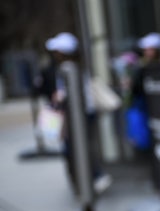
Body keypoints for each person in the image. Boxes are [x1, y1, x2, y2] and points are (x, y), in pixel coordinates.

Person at [41, 32, 112, 195]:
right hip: (77, 115)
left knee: (80, 147)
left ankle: (95, 176)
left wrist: (60, 96)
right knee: (74, 148)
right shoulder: (68, 69)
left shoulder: (72, 69)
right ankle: (84, 180)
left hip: (81, 115)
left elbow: (73, 95)